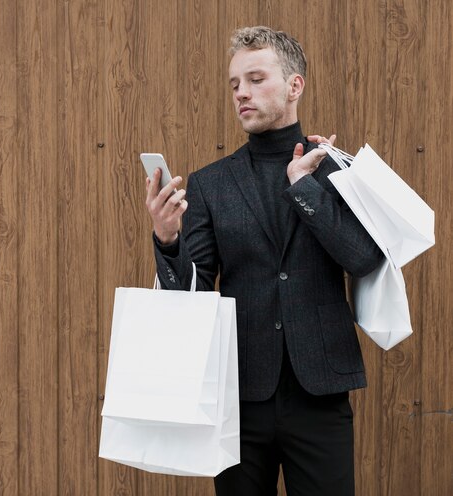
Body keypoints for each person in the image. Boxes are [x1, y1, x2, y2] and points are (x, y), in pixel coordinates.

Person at [145, 26, 383, 496]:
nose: (242, 94)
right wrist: (167, 240)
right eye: (235, 84)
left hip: (320, 391)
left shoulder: (336, 170)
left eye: (256, 79)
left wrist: (303, 189)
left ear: (295, 86)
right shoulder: (211, 183)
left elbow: (363, 260)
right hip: (238, 397)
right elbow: (190, 297)